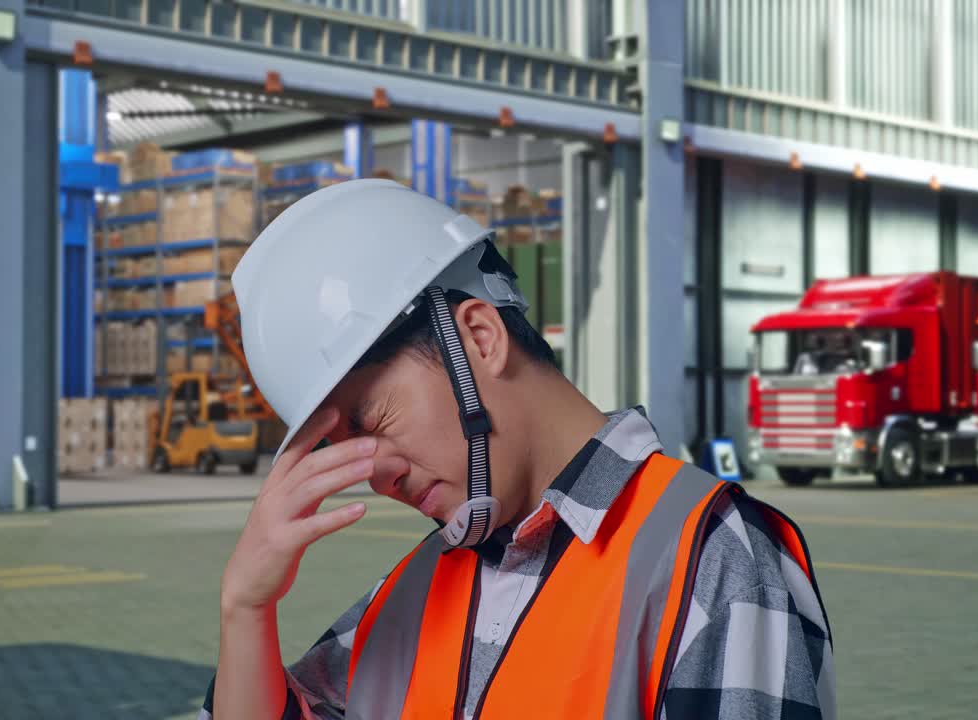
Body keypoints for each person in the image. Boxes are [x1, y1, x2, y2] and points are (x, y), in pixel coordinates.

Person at [202, 180, 834, 719]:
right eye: (345, 448)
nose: (377, 474)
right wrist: (245, 609)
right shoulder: (413, 595)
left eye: (373, 422)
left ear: (477, 337)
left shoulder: (712, 560)